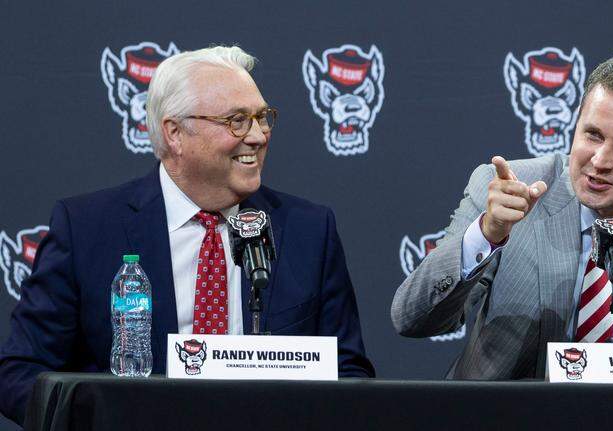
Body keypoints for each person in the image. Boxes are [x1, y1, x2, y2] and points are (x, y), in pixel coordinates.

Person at [0, 46, 374, 424]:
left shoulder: (309, 230)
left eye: (263, 118)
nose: (259, 136)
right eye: (237, 121)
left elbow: (349, 376)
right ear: (175, 133)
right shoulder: (87, 228)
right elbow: (20, 371)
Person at [392, 55, 613, 379]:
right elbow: (412, 319)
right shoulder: (506, 187)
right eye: (592, 135)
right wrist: (486, 234)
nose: (599, 161)